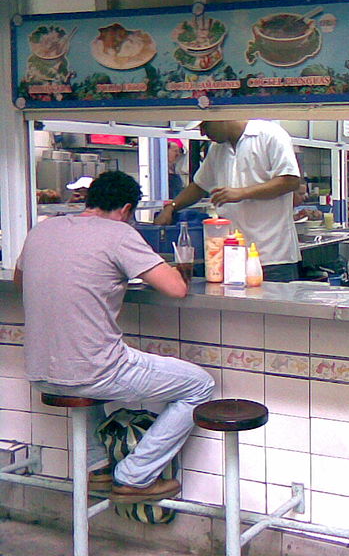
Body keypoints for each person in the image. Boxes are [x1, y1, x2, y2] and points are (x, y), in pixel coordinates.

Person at [14, 171, 214, 503]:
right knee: (198, 385)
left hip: (39, 372)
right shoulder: (119, 234)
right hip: (95, 373)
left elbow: (22, 282)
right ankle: (134, 476)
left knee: (84, 368)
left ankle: (98, 467)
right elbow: (177, 289)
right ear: (125, 209)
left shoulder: (43, 229)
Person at [155, 119, 302, 282]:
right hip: (232, 257)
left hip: (272, 257)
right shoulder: (217, 149)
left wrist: (242, 193)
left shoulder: (269, 135)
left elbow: (290, 180)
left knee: (273, 306)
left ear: (222, 117)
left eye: (205, 126)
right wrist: (172, 207)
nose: (203, 133)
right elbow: (199, 185)